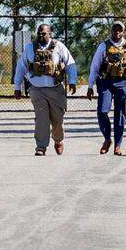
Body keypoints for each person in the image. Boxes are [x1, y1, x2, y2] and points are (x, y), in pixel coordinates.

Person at [13, 23, 78, 156]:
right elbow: (21, 67)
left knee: (57, 120)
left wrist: (72, 81)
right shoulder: (30, 48)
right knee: (41, 118)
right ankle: (41, 146)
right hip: (37, 89)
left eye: (44, 33)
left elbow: (70, 64)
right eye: (39, 33)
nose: (41, 36)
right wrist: (17, 86)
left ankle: (58, 140)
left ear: (50, 34)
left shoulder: (59, 46)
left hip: (55, 89)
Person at [86, 21, 126, 156]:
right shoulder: (103, 46)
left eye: (120, 30)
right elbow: (94, 67)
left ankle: (117, 145)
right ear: (111, 30)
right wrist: (90, 86)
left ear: (123, 31)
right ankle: (107, 139)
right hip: (105, 82)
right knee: (102, 111)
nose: (117, 32)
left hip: (122, 82)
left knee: (120, 114)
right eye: (115, 29)